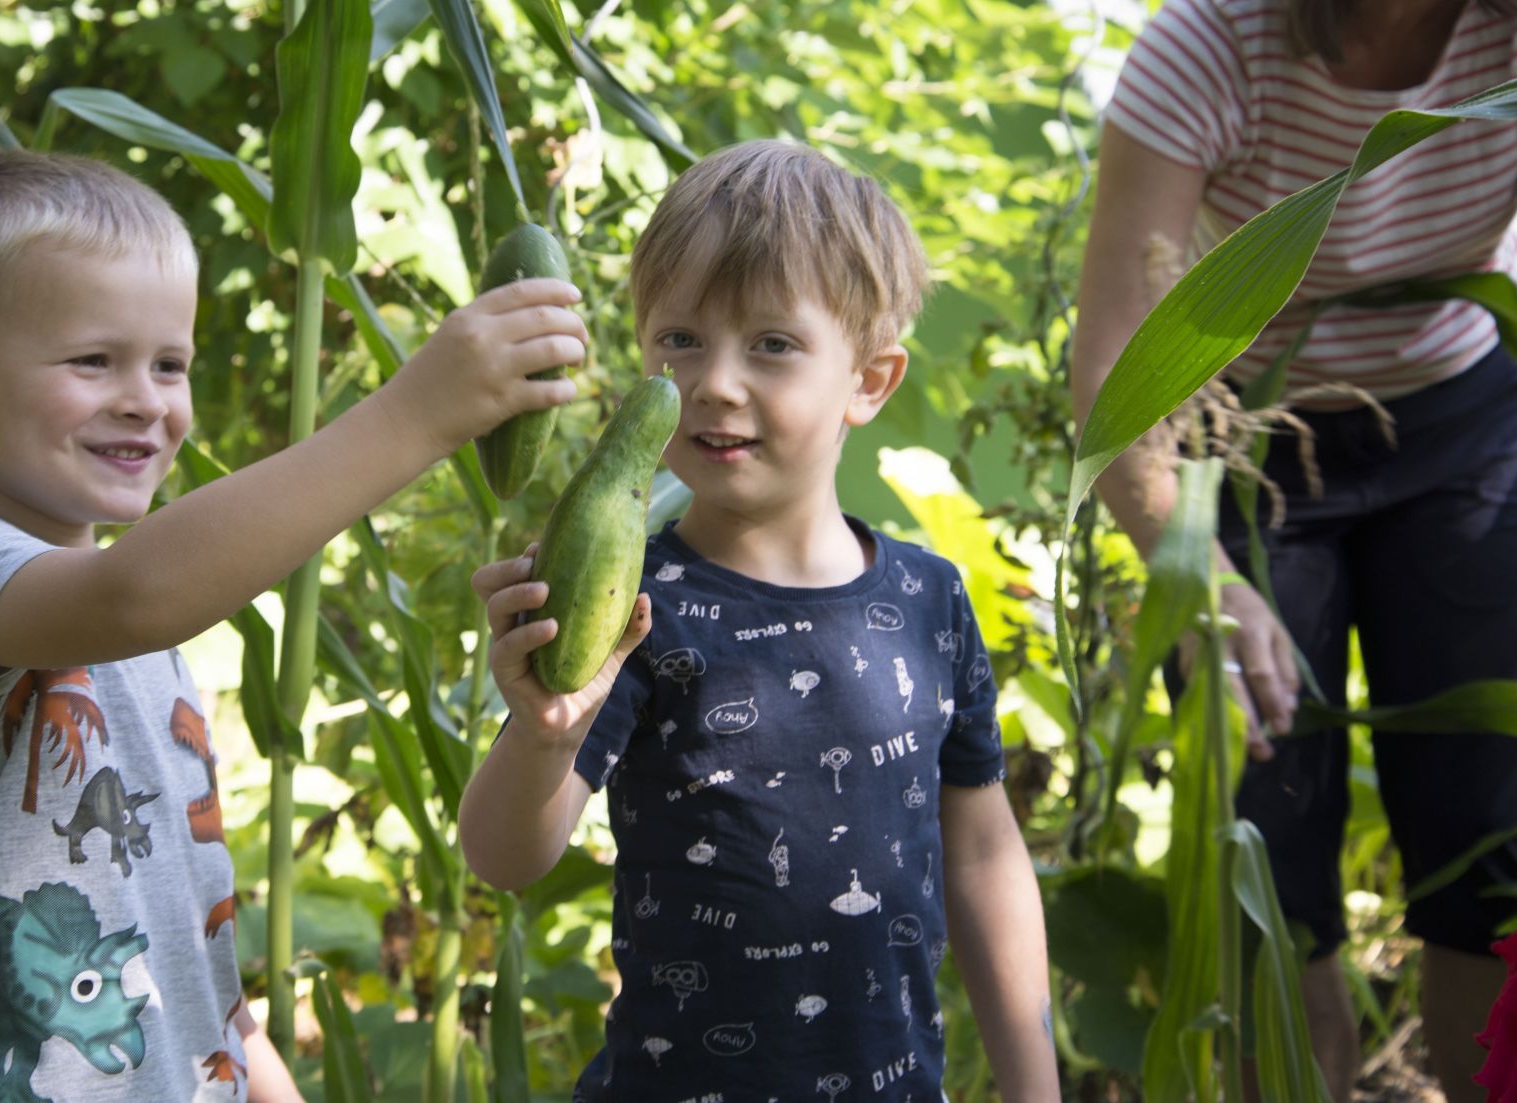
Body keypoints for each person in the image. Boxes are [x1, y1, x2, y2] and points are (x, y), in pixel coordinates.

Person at [0, 148, 589, 1102]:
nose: (147, 399)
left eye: (170, 364)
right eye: (93, 360)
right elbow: (134, 591)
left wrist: (257, 1073)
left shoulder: (145, 635)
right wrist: (422, 411)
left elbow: (185, 938)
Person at [458, 139, 1061, 1102]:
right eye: (680, 339)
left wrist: (1035, 1086)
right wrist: (540, 732)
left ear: (869, 379)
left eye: (771, 344)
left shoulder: (930, 600)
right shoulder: (635, 602)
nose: (715, 382)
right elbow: (501, 853)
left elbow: (984, 849)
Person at [1071, 0, 1517, 1097]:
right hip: (1246, 448)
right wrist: (1200, 579)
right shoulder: (1214, 44)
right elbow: (1116, 362)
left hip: (1459, 419)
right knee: (1267, 850)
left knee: (1487, 841)